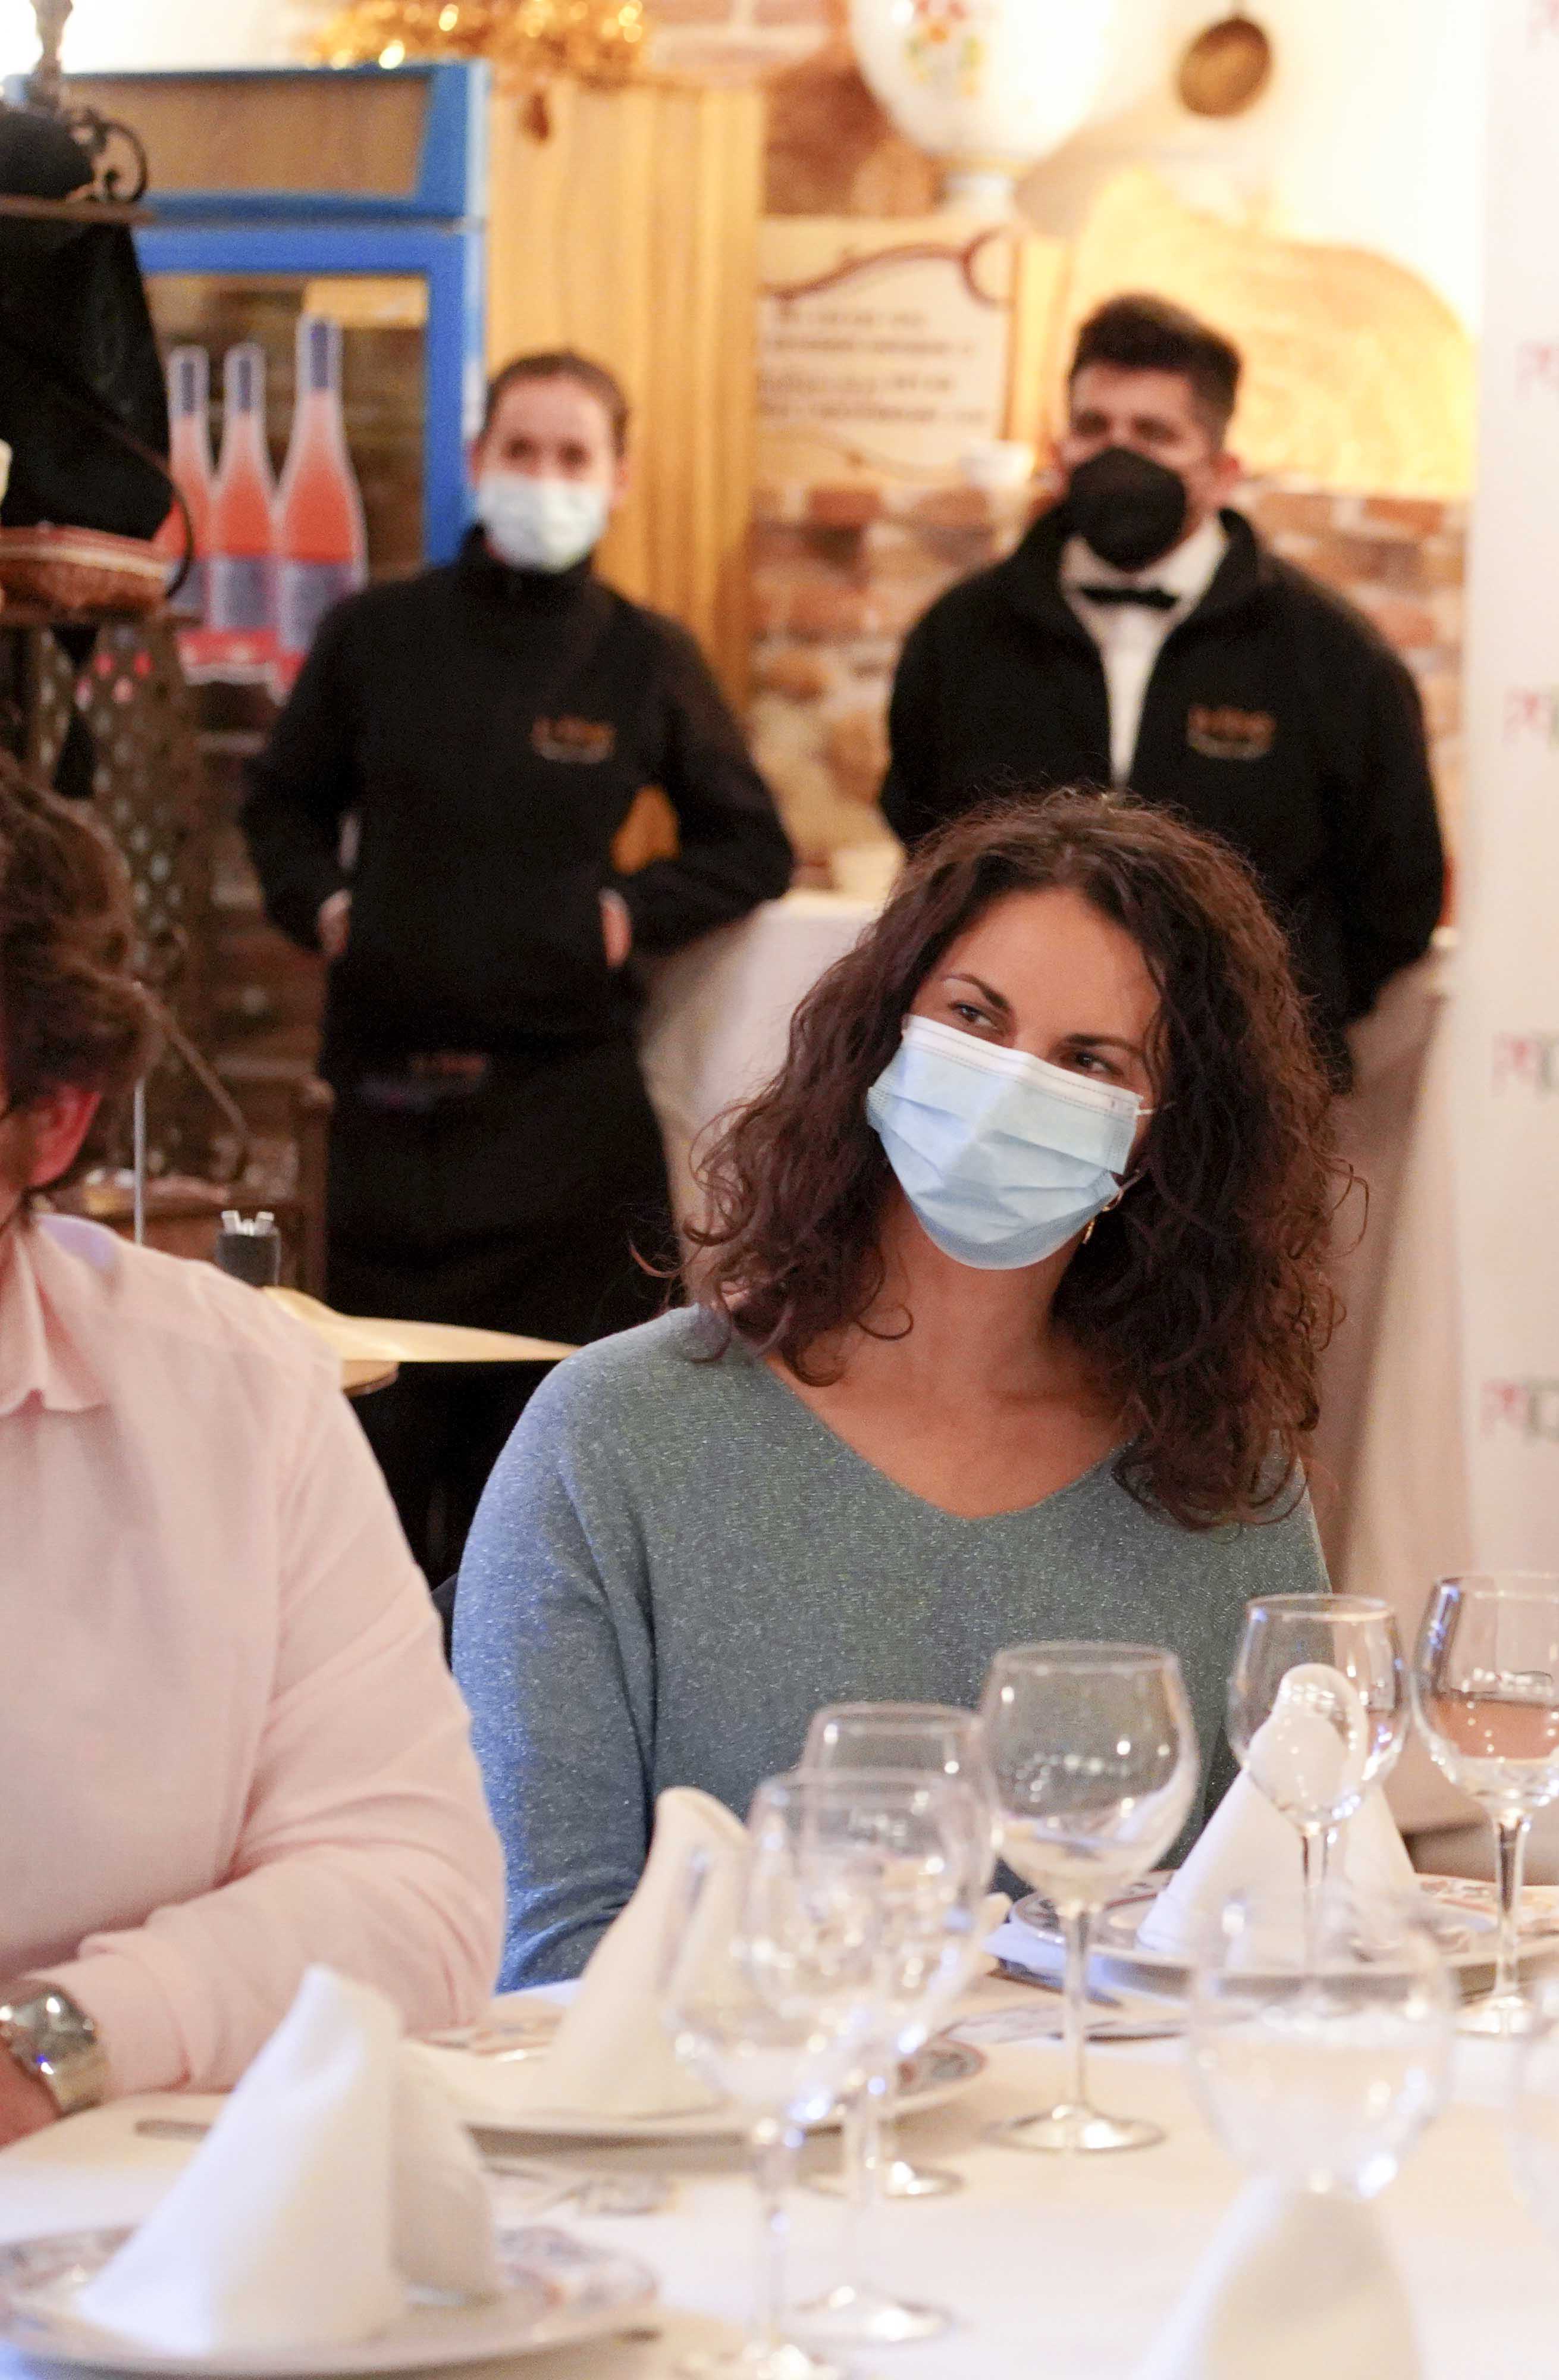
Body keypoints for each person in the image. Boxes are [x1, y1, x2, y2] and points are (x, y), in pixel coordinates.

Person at [453, 794, 1338, 1984]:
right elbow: (547, 1954)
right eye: (975, 1017)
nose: (1010, 1086)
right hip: (731, 2095)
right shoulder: (612, 1435)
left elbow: (1286, 1915)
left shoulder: (1222, 1479)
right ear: (884, 1034)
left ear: (1159, 1140)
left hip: (1111, 2099)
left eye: (1089, 1062)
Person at [0, 765, 499, 2143]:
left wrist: (57, 2039)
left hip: (113, 2217)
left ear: (56, 1121)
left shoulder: (228, 1393)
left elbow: (415, 1894)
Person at [239, 348, 793, 1589]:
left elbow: (751, 843)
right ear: (477, 460)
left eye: (572, 455)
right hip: (383, 1132)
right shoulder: (375, 633)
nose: (545, 476)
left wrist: (625, 915)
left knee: (549, 1524)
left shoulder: (642, 656)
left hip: (566, 1144)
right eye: (522, 450)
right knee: (369, 1520)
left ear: (618, 478)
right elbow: (277, 803)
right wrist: (326, 904)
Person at [878, 295, 1444, 1068]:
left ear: (1221, 472)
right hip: (1002, 1063)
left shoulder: (1333, 656)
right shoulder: (963, 635)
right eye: (1094, 428)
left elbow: (1397, 895)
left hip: (1242, 1078)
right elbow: (924, 840)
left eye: (1154, 434)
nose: (1118, 457)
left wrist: (1271, 1029)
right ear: (1060, 448)